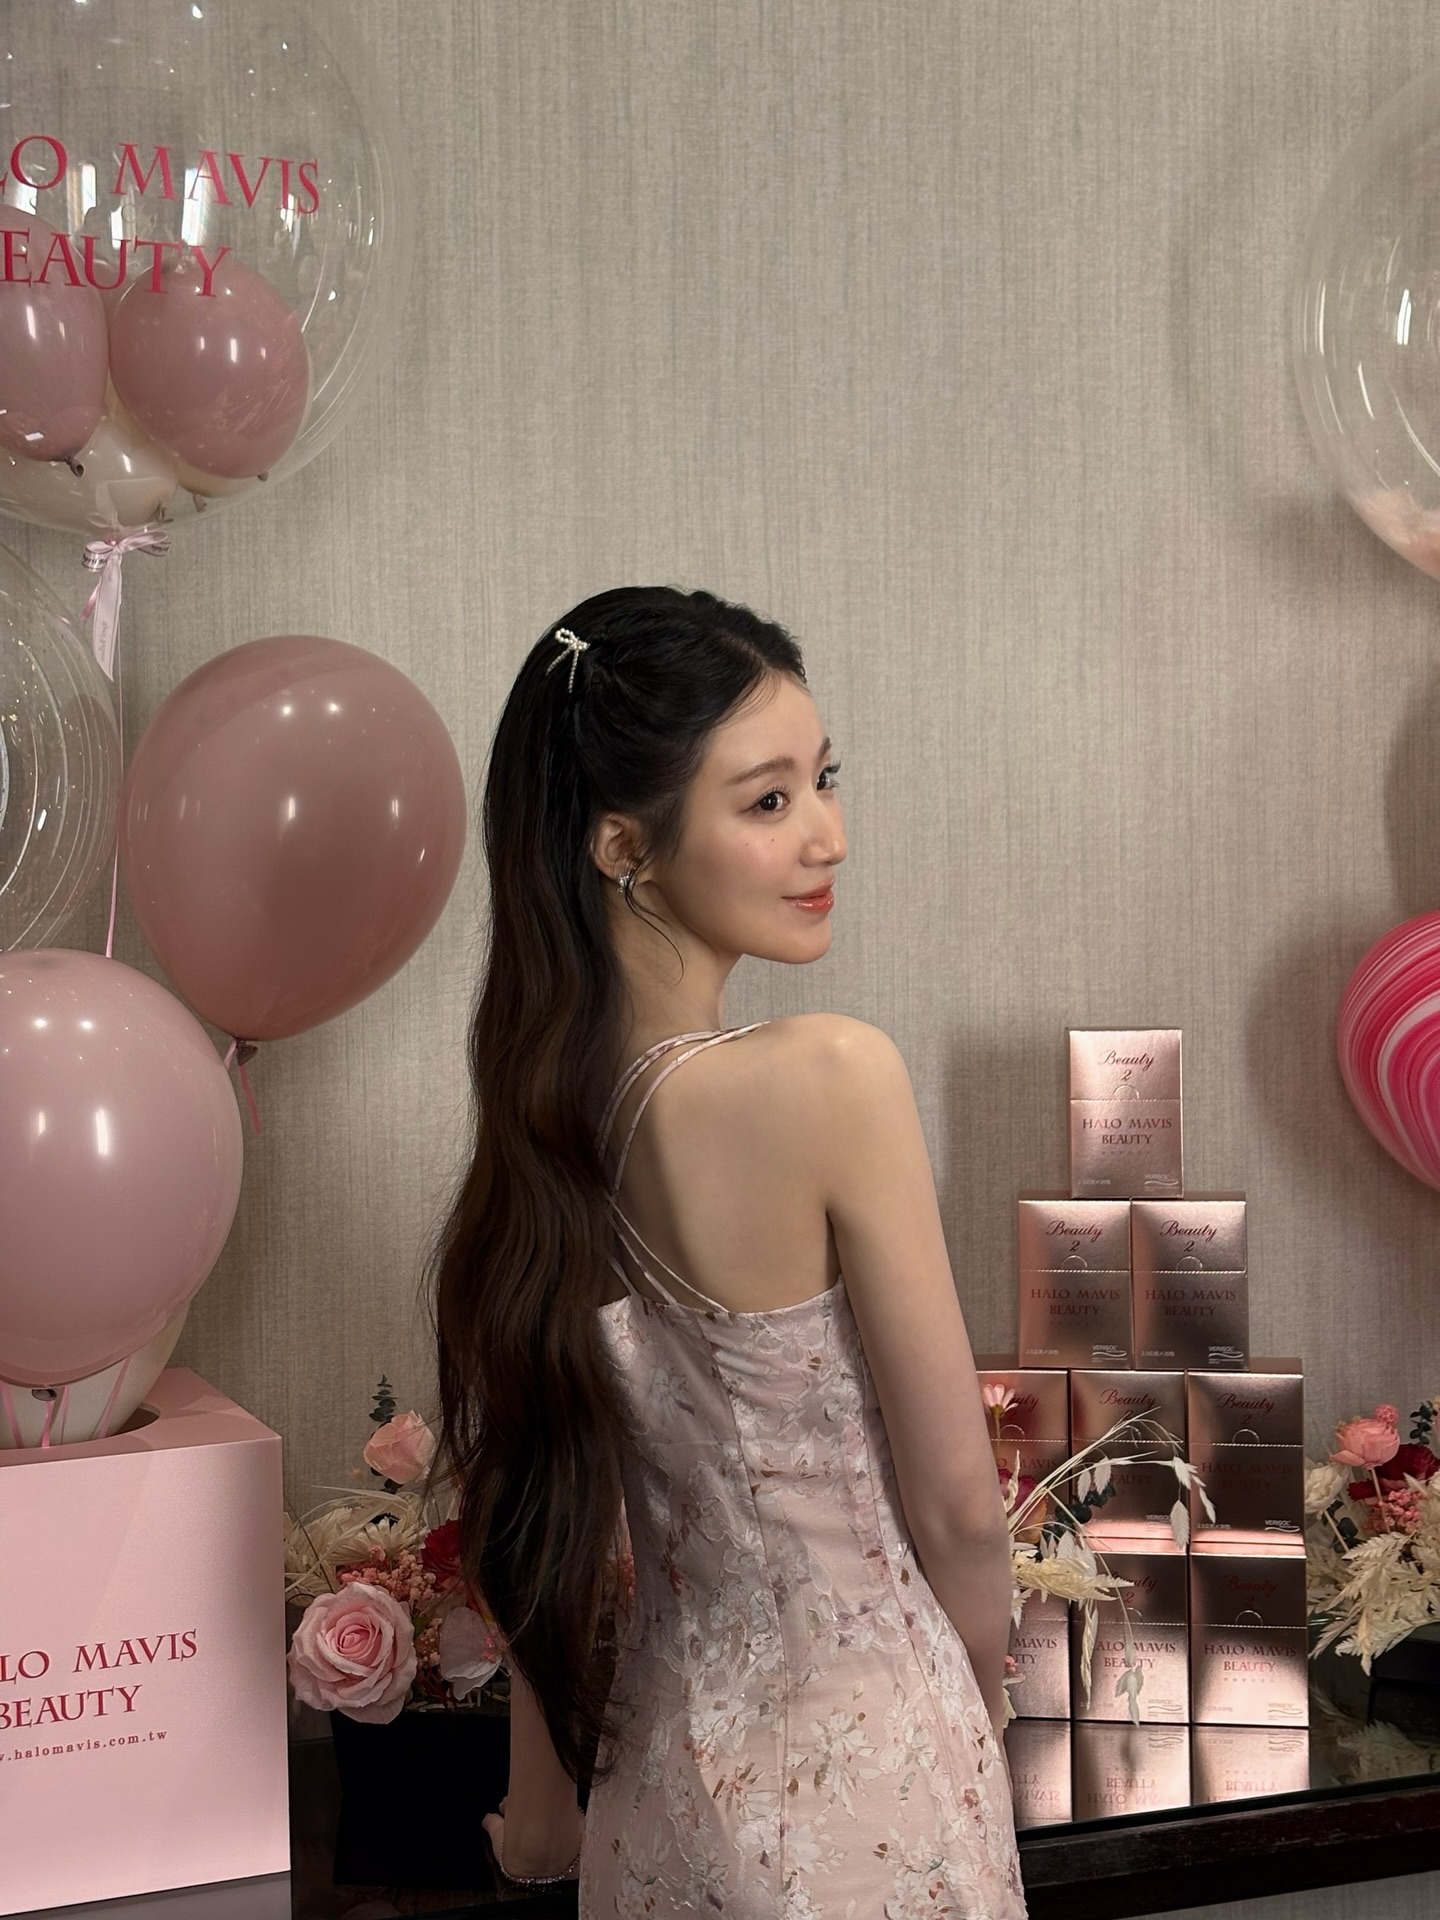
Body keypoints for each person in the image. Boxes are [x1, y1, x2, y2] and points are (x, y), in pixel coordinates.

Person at [433, 586, 1025, 1917]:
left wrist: (540, 1824)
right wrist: (975, 1716)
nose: (828, 835)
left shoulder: (539, 1137)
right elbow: (956, 1508)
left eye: (823, 779)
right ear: (623, 847)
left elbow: (544, 1531)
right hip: (876, 1793)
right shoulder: (831, 1074)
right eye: (767, 800)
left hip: (657, 1812)